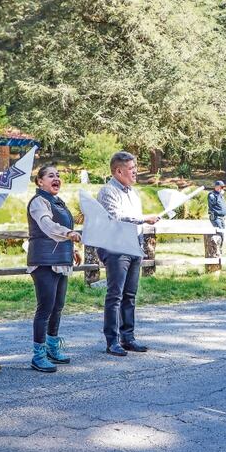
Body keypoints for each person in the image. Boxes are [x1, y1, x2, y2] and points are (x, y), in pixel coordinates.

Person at [96, 151, 160, 357]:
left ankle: (128, 338)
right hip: (116, 248)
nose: (135, 172)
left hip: (134, 246)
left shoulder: (133, 193)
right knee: (115, 295)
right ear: (118, 171)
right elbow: (116, 216)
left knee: (130, 295)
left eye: (135, 168)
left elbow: (134, 220)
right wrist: (144, 219)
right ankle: (112, 341)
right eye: (131, 169)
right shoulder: (108, 191)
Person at [27, 164, 82, 372]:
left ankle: (51, 347)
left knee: (58, 306)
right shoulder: (38, 202)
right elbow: (47, 226)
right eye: (51, 176)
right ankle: (38, 355)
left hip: (60, 259)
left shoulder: (58, 202)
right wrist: (68, 233)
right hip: (44, 261)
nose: (56, 178)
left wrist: (72, 248)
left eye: (58, 175)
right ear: (40, 181)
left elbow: (63, 229)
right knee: (45, 308)